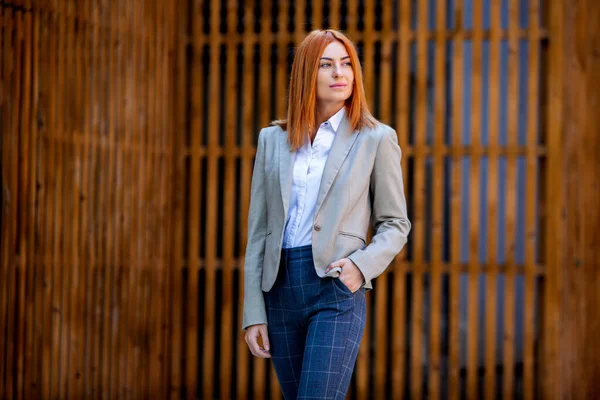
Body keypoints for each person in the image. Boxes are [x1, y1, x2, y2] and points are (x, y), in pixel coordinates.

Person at [242, 29, 411, 399]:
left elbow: (396, 223)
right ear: (306, 73)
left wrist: (361, 266)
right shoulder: (272, 141)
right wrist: (253, 311)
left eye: (348, 64)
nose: (341, 73)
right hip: (280, 290)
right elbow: (259, 232)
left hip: (335, 288)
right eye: (327, 65)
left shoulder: (376, 138)